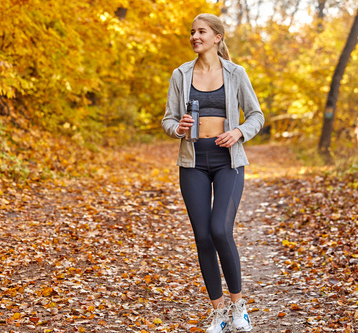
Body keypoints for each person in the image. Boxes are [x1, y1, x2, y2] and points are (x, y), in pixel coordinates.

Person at [161, 13, 264, 333]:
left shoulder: (236, 73)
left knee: (220, 229)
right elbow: (167, 120)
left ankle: (239, 306)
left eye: (201, 31)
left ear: (217, 37)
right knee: (203, 237)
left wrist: (239, 133)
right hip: (192, 162)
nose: (194, 36)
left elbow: (256, 115)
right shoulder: (180, 74)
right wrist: (177, 128)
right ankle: (218, 311)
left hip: (228, 162)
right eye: (192, 32)